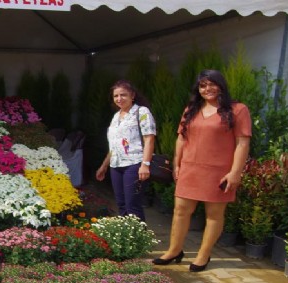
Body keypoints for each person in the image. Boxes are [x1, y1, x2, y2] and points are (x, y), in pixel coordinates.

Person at [153, 69, 251, 272]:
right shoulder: (191, 109)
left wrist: (235, 172)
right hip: (190, 169)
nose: (207, 89)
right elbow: (181, 138)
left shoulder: (238, 109)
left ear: (221, 85)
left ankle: (203, 255)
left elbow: (242, 143)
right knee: (180, 210)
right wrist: (177, 163)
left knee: (214, 215)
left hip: (218, 172)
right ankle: (174, 250)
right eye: (203, 85)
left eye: (212, 84)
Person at [96, 80, 157, 221]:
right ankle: (126, 239)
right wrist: (104, 166)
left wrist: (145, 165)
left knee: (132, 205)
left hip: (134, 164)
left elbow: (149, 139)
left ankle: (138, 240)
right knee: (121, 205)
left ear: (132, 95)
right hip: (116, 166)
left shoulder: (141, 112)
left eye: (123, 95)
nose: (119, 99)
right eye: (115, 96)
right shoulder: (116, 116)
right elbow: (114, 145)